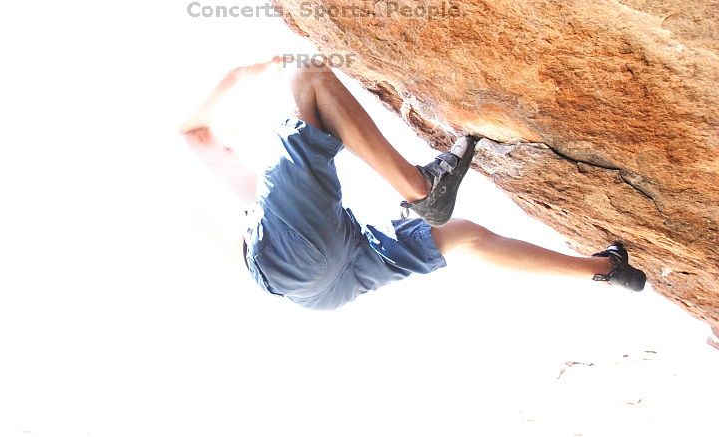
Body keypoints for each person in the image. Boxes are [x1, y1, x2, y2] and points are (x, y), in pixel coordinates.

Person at [181, 56, 646, 310]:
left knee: (463, 236)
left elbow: (199, 135)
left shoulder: (273, 198)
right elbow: (194, 132)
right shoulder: (261, 196)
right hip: (288, 261)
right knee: (308, 73)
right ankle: (420, 187)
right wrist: (237, 76)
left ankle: (605, 270)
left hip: (322, 289)